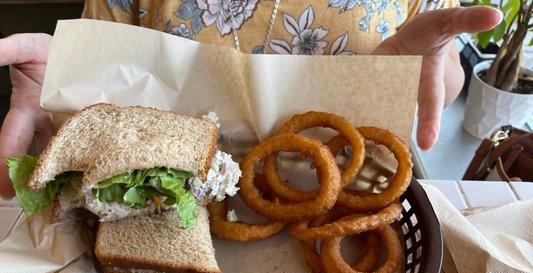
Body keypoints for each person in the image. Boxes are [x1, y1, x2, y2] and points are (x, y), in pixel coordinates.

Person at [0, 0, 502, 199]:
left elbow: (448, 77)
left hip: (356, 188)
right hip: (167, 196)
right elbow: (107, 57)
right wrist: (66, 81)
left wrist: (423, 66)